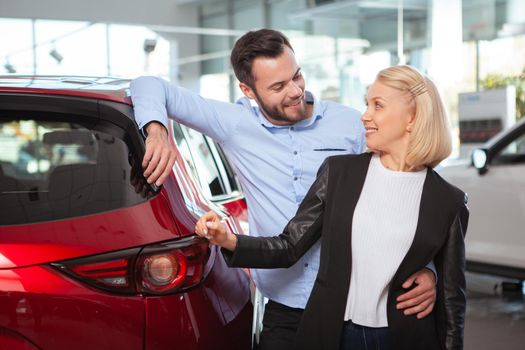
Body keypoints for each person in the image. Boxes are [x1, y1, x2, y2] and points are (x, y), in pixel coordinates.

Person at [131, 29, 438, 349]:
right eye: (278, 86)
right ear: (248, 90)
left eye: (297, 76)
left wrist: (427, 269)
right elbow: (146, 85)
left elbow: (407, 196)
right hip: (286, 309)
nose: (295, 91)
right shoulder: (234, 124)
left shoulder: (352, 126)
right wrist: (156, 131)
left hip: (352, 305)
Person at [195, 65, 469, 350]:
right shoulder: (339, 174)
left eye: (378, 106)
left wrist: (431, 274)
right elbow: (290, 245)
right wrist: (227, 240)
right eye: (367, 104)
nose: (365, 116)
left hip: (407, 339)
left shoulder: (448, 201)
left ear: (412, 118)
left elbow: (453, 303)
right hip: (336, 335)